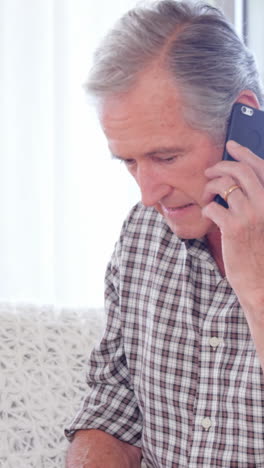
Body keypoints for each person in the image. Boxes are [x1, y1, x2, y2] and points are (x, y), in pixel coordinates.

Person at [65, 1, 264, 466]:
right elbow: (114, 404)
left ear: (244, 120)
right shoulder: (144, 231)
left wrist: (256, 284)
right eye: (130, 162)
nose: (149, 193)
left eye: (166, 157)